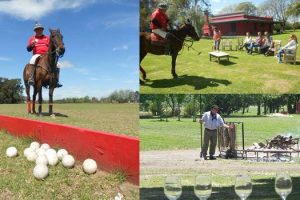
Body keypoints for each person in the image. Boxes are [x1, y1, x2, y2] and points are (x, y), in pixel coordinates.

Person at [27, 22, 62, 87]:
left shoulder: (47, 38)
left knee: (58, 64)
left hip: (46, 54)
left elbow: (52, 46)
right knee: (32, 60)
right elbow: (28, 49)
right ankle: (31, 78)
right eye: (37, 29)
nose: (39, 31)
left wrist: (57, 48)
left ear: (42, 30)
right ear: (35, 31)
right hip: (37, 55)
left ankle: (56, 80)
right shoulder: (32, 38)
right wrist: (31, 45)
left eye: (40, 29)